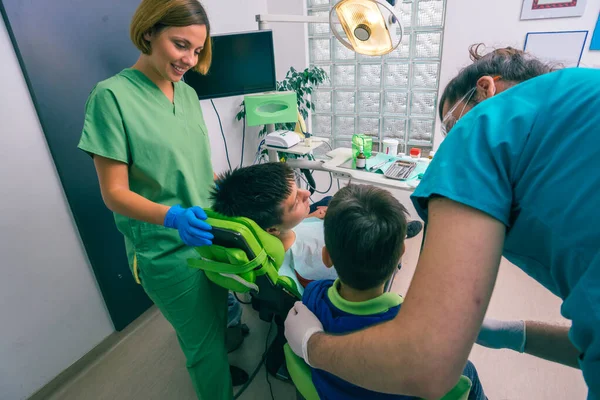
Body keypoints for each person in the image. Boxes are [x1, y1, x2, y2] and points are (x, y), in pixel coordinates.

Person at [284, 44, 600, 400]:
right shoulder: (584, 89)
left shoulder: (489, 120)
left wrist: (312, 346)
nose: (454, 142)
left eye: (451, 126)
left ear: (485, 88)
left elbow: (425, 364)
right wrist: (516, 334)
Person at [78, 1, 247, 398]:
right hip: (165, 250)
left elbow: (195, 169)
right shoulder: (111, 98)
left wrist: (233, 189)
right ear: (150, 31)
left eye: (197, 50)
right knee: (202, 344)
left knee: (217, 320)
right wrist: (173, 217)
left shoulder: (186, 94)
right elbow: (114, 193)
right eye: (180, 45)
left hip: (206, 233)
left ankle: (218, 372)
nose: (189, 59)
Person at [303, 184, 487, 400]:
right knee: (469, 370)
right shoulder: (413, 325)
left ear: (327, 257)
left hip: (330, 392)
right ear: (401, 254)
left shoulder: (313, 295)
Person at [211, 163, 424, 288]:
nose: (308, 193)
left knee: (329, 200)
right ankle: (399, 235)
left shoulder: (281, 232)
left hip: (310, 228)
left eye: (299, 188)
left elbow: (300, 227)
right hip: (359, 248)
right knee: (373, 225)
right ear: (273, 229)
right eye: (296, 201)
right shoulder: (308, 266)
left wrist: (312, 215)